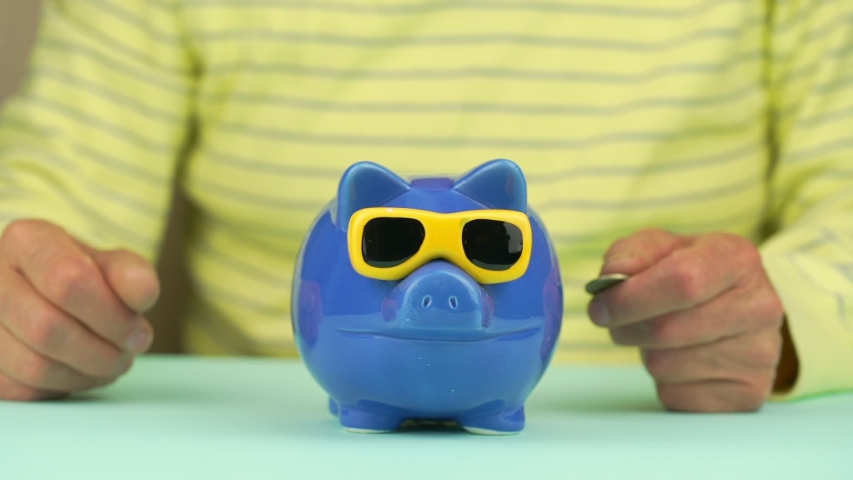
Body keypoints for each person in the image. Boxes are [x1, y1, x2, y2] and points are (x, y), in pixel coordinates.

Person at [0, 0, 850, 411]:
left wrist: (786, 317)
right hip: (280, 430)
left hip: (677, 418)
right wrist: (31, 292)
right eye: (395, 240)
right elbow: (49, 195)